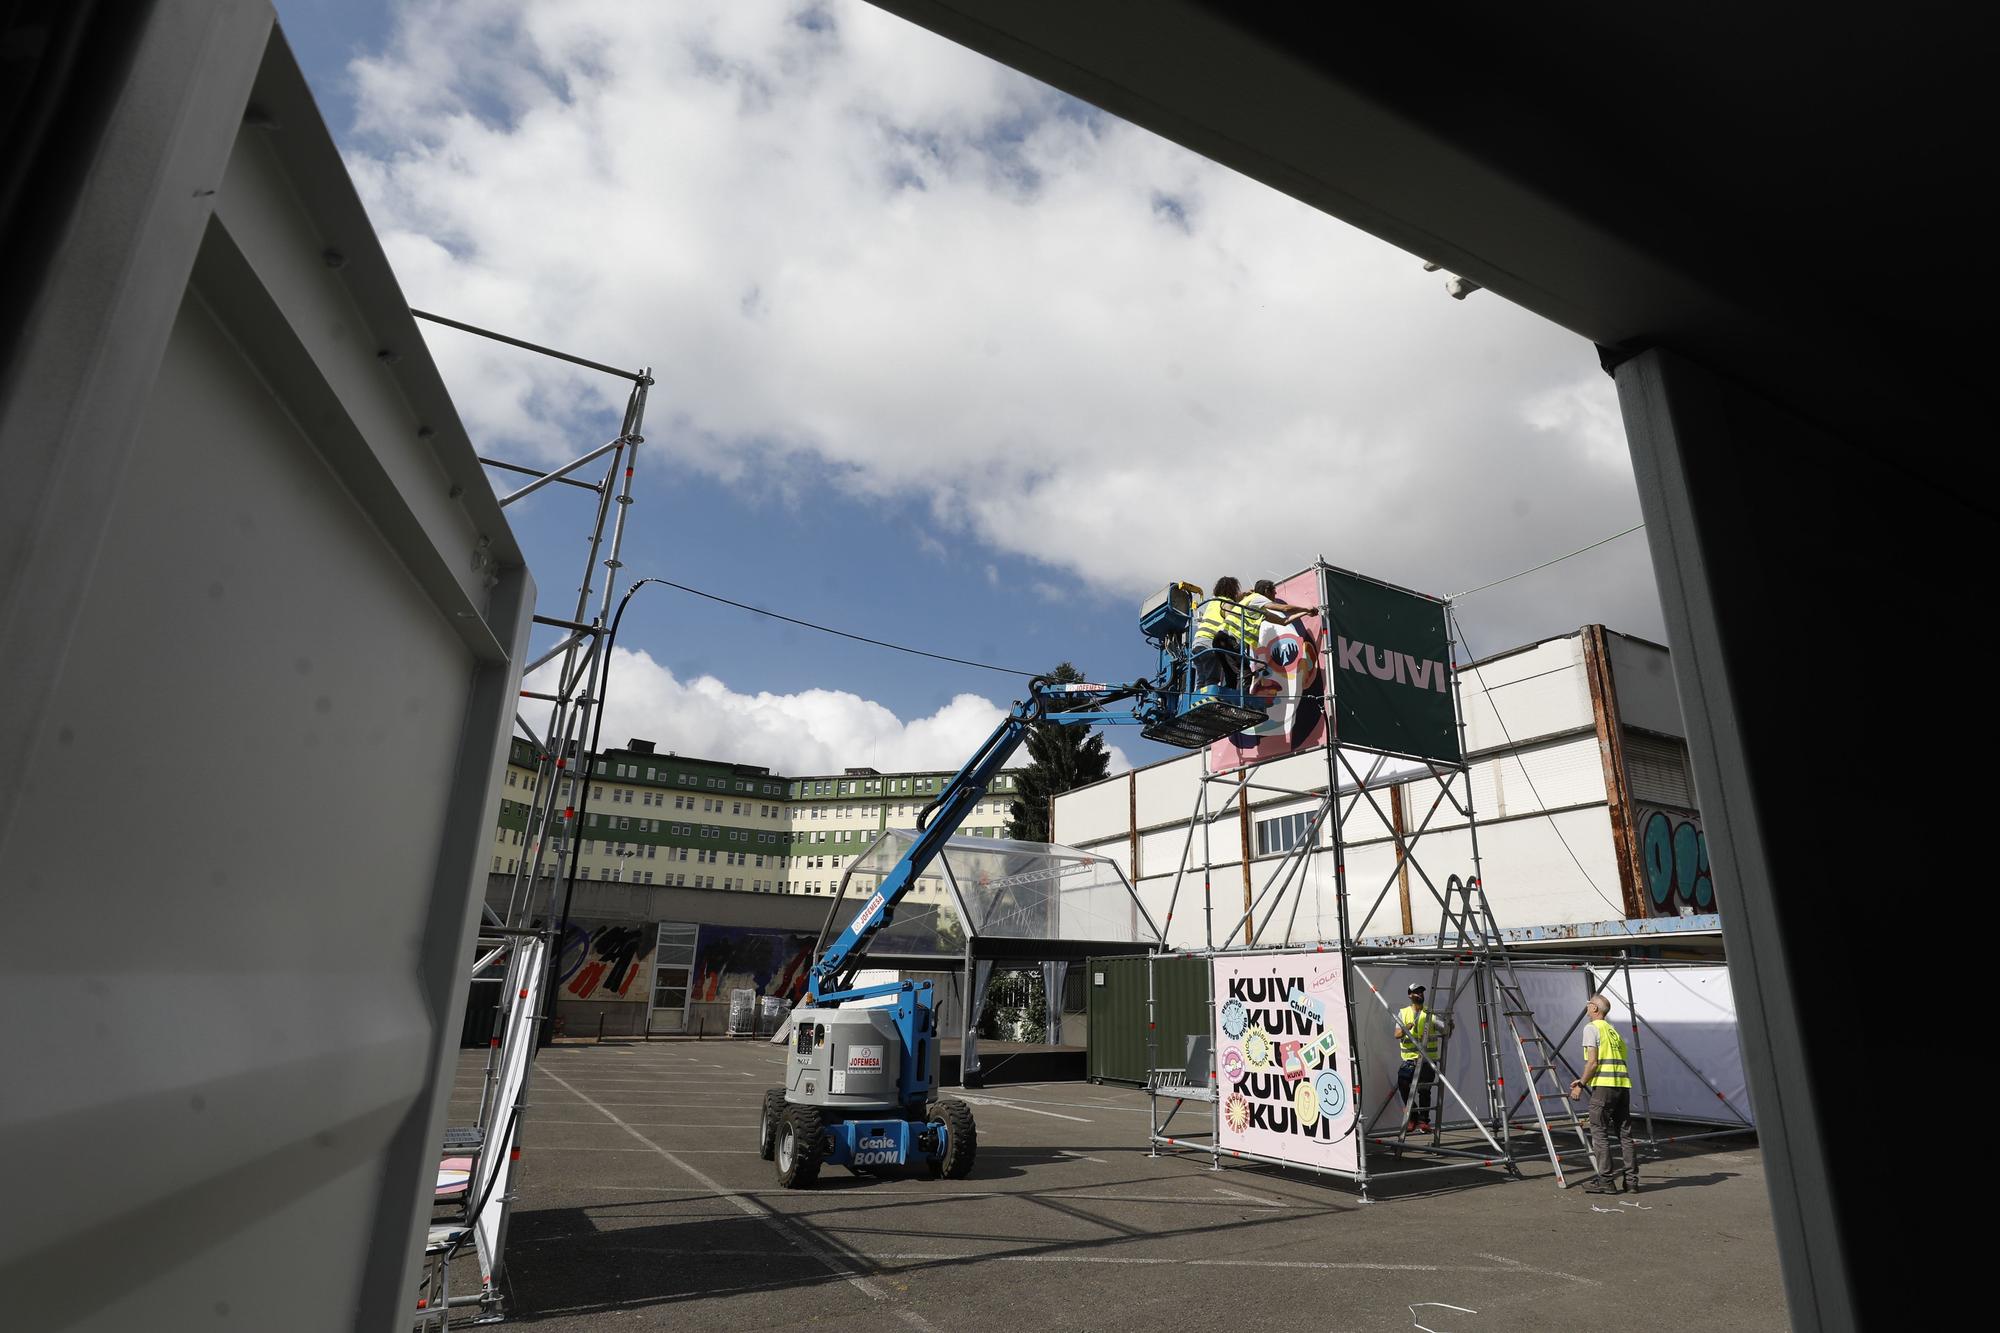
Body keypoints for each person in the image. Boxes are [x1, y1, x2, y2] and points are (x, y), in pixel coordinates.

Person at [1568, 993, 1639, 1194]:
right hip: (1622, 1086)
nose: (1587, 1007)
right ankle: (1632, 1182)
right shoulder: (1613, 1031)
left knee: (1599, 1133)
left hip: (1604, 1088)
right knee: (1625, 1135)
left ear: (1595, 1009)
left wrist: (1581, 1084)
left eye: (1588, 1004)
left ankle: (1606, 1181)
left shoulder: (1591, 1028)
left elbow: (1593, 1062)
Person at [1394, 983, 1451, 1133]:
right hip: (1409, 1061)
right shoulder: (1403, 1013)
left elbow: (1445, 1031)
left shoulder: (1430, 1014)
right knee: (1404, 1087)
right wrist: (1407, 1027)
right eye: (1416, 992)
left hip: (1427, 1061)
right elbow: (1397, 1034)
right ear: (1410, 995)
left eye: (1421, 992)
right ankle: (1413, 1118)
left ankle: (1423, 1121)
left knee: (1425, 1091)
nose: (1419, 994)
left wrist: (1450, 1025)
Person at [1192, 576, 1259, 689]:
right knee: (1212, 678)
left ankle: (1199, 702)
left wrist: (1245, 594)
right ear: (1232, 590)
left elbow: (1235, 599)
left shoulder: (1214, 602)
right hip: (1210, 642)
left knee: (1201, 678)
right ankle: (1211, 702)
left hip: (1198, 642)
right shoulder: (1227, 603)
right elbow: (1230, 623)